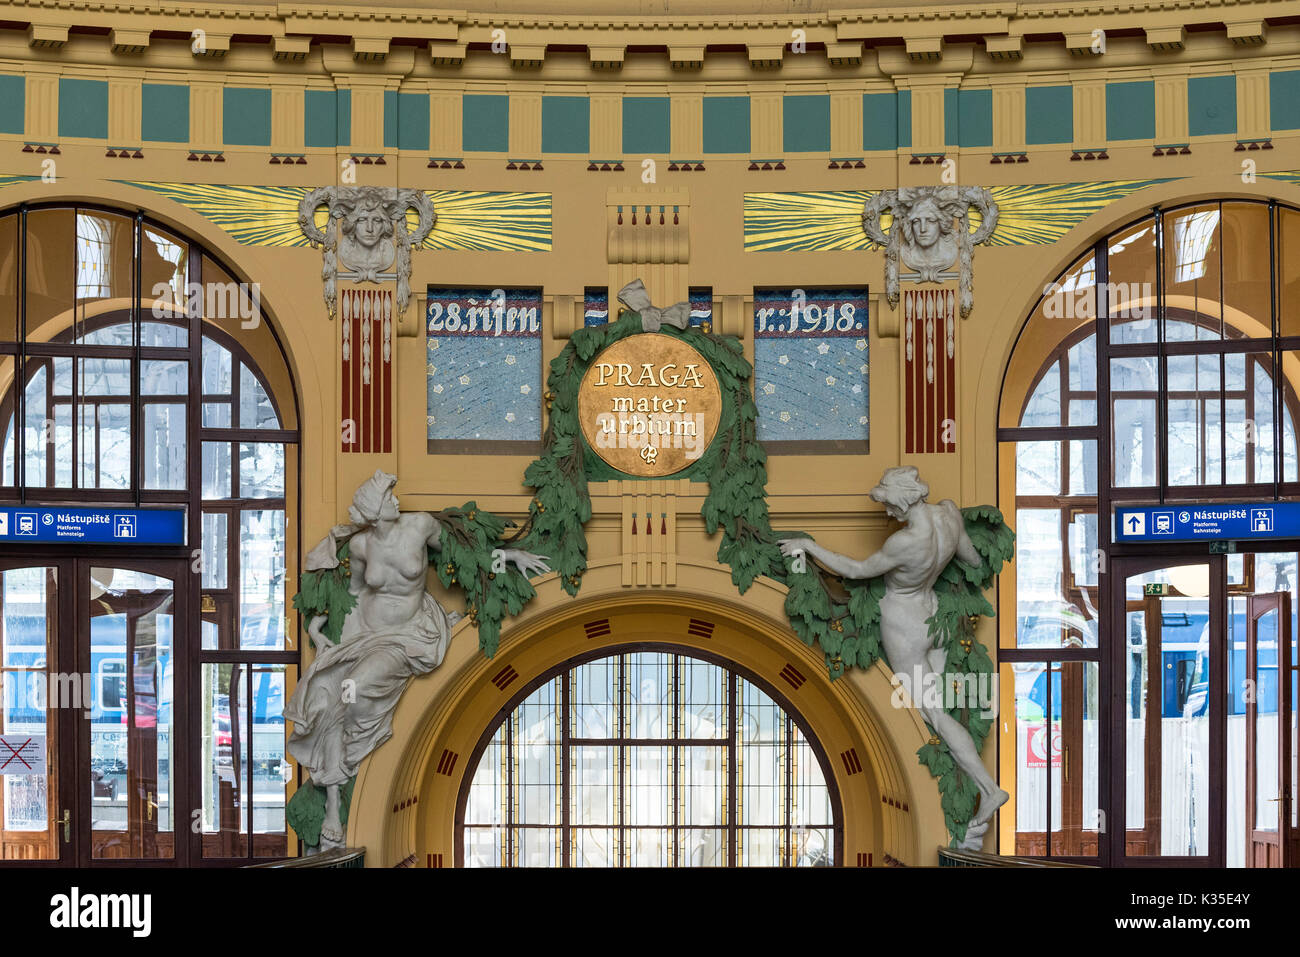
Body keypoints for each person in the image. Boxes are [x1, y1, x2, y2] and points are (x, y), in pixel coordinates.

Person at [285, 470, 549, 848]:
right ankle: (332, 797)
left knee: (352, 690)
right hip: (366, 634)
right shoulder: (360, 547)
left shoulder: (419, 526)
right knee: (328, 696)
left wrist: (507, 556)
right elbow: (354, 594)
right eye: (388, 497)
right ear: (374, 512)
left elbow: (465, 557)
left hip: (408, 637)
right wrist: (317, 631)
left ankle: (340, 787)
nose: (396, 500)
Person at [779, 466, 1008, 845]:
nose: (886, 513)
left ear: (902, 499)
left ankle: (987, 788)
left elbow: (855, 571)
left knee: (933, 713)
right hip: (936, 615)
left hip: (903, 621)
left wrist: (808, 545)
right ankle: (962, 780)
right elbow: (973, 562)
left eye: (887, 503)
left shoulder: (904, 543)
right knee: (938, 715)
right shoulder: (949, 513)